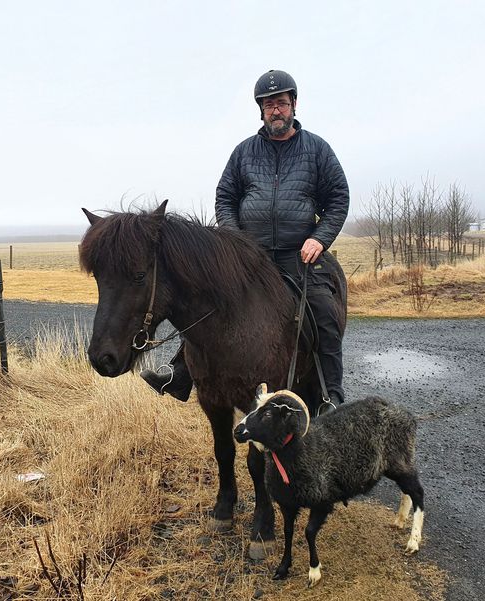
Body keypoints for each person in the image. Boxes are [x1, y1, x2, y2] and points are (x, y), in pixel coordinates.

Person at [141, 69, 350, 408]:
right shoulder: (244, 152)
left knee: (323, 311)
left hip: (300, 254)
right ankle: (180, 374)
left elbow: (338, 197)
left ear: (294, 104)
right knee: (204, 299)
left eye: (281, 103)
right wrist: (234, 239)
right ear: (261, 110)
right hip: (250, 255)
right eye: (268, 105)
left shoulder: (317, 150)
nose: (275, 110)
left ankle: (331, 396)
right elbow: (225, 196)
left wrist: (320, 238)